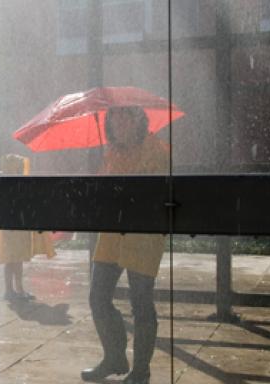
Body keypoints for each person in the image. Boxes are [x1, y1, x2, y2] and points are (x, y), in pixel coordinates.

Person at [81, 106, 168, 384]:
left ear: (139, 120)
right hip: (111, 235)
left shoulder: (157, 150)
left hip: (143, 235)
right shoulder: (110, 153)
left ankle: (141, 371)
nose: (119, 123)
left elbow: (154, 193)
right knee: (98, 297)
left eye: (126, 117)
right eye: (114, 119)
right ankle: (114, 357)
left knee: (141, 302)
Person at [0, 154, 55, 301]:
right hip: (12, 228)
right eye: (19, 167)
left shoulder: (13, 183)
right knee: (11, 259)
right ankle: (10, 290)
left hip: (17, 227)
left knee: (17, 259)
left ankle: (17, 289)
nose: (22, 170)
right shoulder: (9, 184)